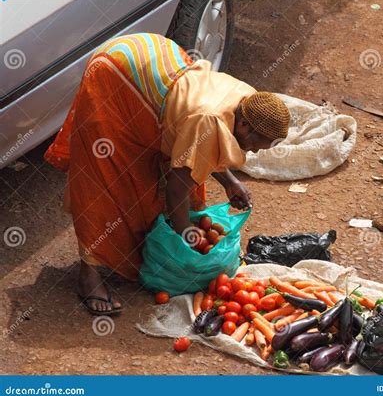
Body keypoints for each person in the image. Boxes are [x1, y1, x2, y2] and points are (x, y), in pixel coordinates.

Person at [44, 33, 290, 315]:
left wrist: (230, 183)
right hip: (116, 74)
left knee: (157, 178)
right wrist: (186, 234)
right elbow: (178, 188)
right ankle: (89, 276)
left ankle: (143, 248)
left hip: (156, 62)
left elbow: (205, 149)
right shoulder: (208, 119)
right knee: (109, 180)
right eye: (256, 146)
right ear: (245, 126)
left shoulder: (248, 101)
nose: (255, 153)